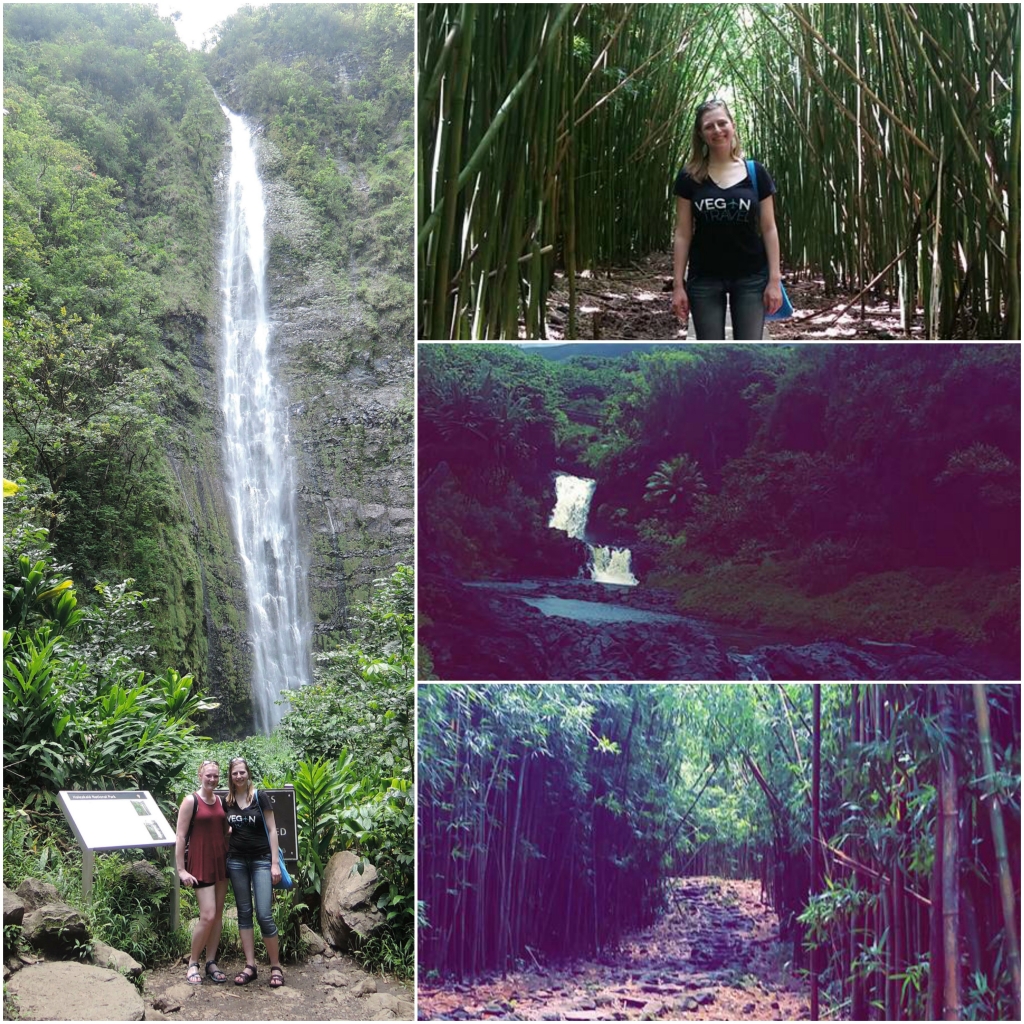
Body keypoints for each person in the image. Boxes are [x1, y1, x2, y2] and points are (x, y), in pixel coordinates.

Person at [671, 98, 783, 340]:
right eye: (709, 126)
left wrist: (774, 280)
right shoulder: (689, 176)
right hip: (705, 276)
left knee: (748, 352)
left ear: (733, 125)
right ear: (701, 134)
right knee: (710, 353)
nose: (717, 130)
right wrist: (678, 285)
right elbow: (682, 232)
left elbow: (769, 228)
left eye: (722, 123)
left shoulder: (756, 173)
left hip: (751, 276)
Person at [224, 756, 284, 988]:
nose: (238, 776)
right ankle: (250, 965)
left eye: (242, 772)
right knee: (243, 912)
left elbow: (272, 829)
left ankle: (275, 966)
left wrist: (274, 864)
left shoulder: (260, 797)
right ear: (230, 776)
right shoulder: (226, 801)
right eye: (234, 773)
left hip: (261, 860)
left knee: (264, 914)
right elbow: (224, 828)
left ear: (248, 773)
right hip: (237, 861)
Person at [174, 760, 230, 985]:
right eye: (208, 775)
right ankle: (193, 962)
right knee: (207, 915)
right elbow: (180, 836)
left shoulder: (221, 801)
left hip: (220, 861)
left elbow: (225, 829)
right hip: (201, 862)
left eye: (215, 776)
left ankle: (211, 962)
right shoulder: (191, 801)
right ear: (200, 775)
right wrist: (181, 869)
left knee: (217, 916)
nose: (212, 779)